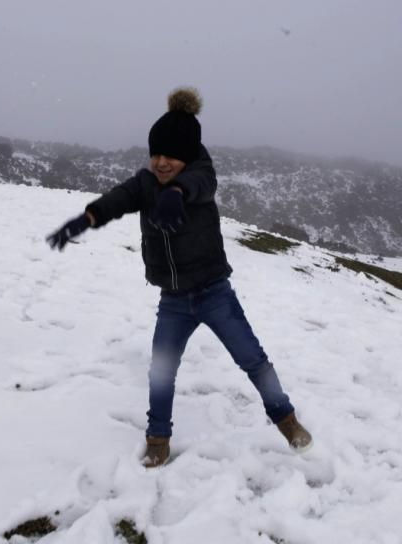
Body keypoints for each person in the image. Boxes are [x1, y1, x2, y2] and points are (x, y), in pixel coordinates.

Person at [46, 87, 312, 468]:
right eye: (155, 154)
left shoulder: (201, 175)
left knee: (253, 359)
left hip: (214, 293)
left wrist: (176, 193)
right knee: (161, 372)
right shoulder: (145, 183)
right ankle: (158, 438)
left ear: (186, 155)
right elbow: (118, 199)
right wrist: (86, 218)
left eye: (170, 155)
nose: (161, 162)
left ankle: (286, 419)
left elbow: (199, 183)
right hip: (173, 300)